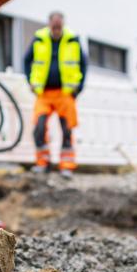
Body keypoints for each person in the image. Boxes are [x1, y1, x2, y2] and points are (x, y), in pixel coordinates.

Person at [24, 12, 87, 178]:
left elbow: (83, 63)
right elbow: (26, 60)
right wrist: (30, 81)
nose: (57, 29)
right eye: (54, 25)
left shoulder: (73, 40)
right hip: (44, 93)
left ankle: (66, 165)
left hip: (65, 93)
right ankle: (42, 162)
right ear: (49, 24)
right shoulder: (39, 39)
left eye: (59, 26)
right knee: (39, 127)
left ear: (63, 24)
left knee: (67, 129)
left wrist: (78, 88)